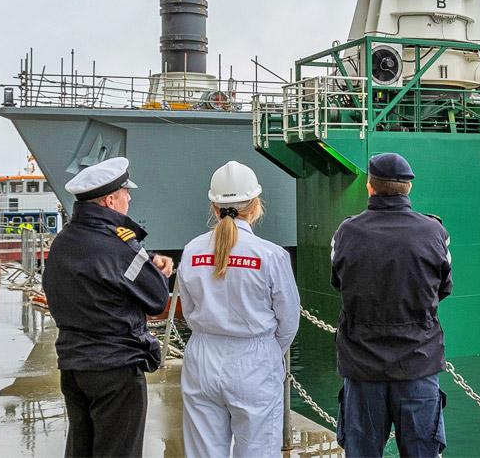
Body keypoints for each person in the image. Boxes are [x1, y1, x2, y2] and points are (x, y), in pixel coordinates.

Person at [43, 156, 174, 458]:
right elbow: (157, 300)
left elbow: (90, 274)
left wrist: (145, 259)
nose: (129, 198)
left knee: (82, 449)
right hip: (115, 368)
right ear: (111, 200)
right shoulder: (119, 245)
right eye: (126, 192)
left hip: (74, 367)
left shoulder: (63, 242)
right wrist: (154, 269)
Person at [331, 153, 452, 457]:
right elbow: (444, 287)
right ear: (408, 189)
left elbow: (338, 283)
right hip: (418, 363)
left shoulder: (345, 232)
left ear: (370, 187)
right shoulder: (435, 233)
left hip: (362, 367)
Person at [178, 161, 299, 458]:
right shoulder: (271, 255)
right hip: (254, 361)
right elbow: (289, 320)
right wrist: (267, 349)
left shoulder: (192, 251)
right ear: (255, 205)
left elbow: (188, 306)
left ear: (213, 205)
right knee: (258, 449)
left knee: (204, 451)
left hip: (202, 357)